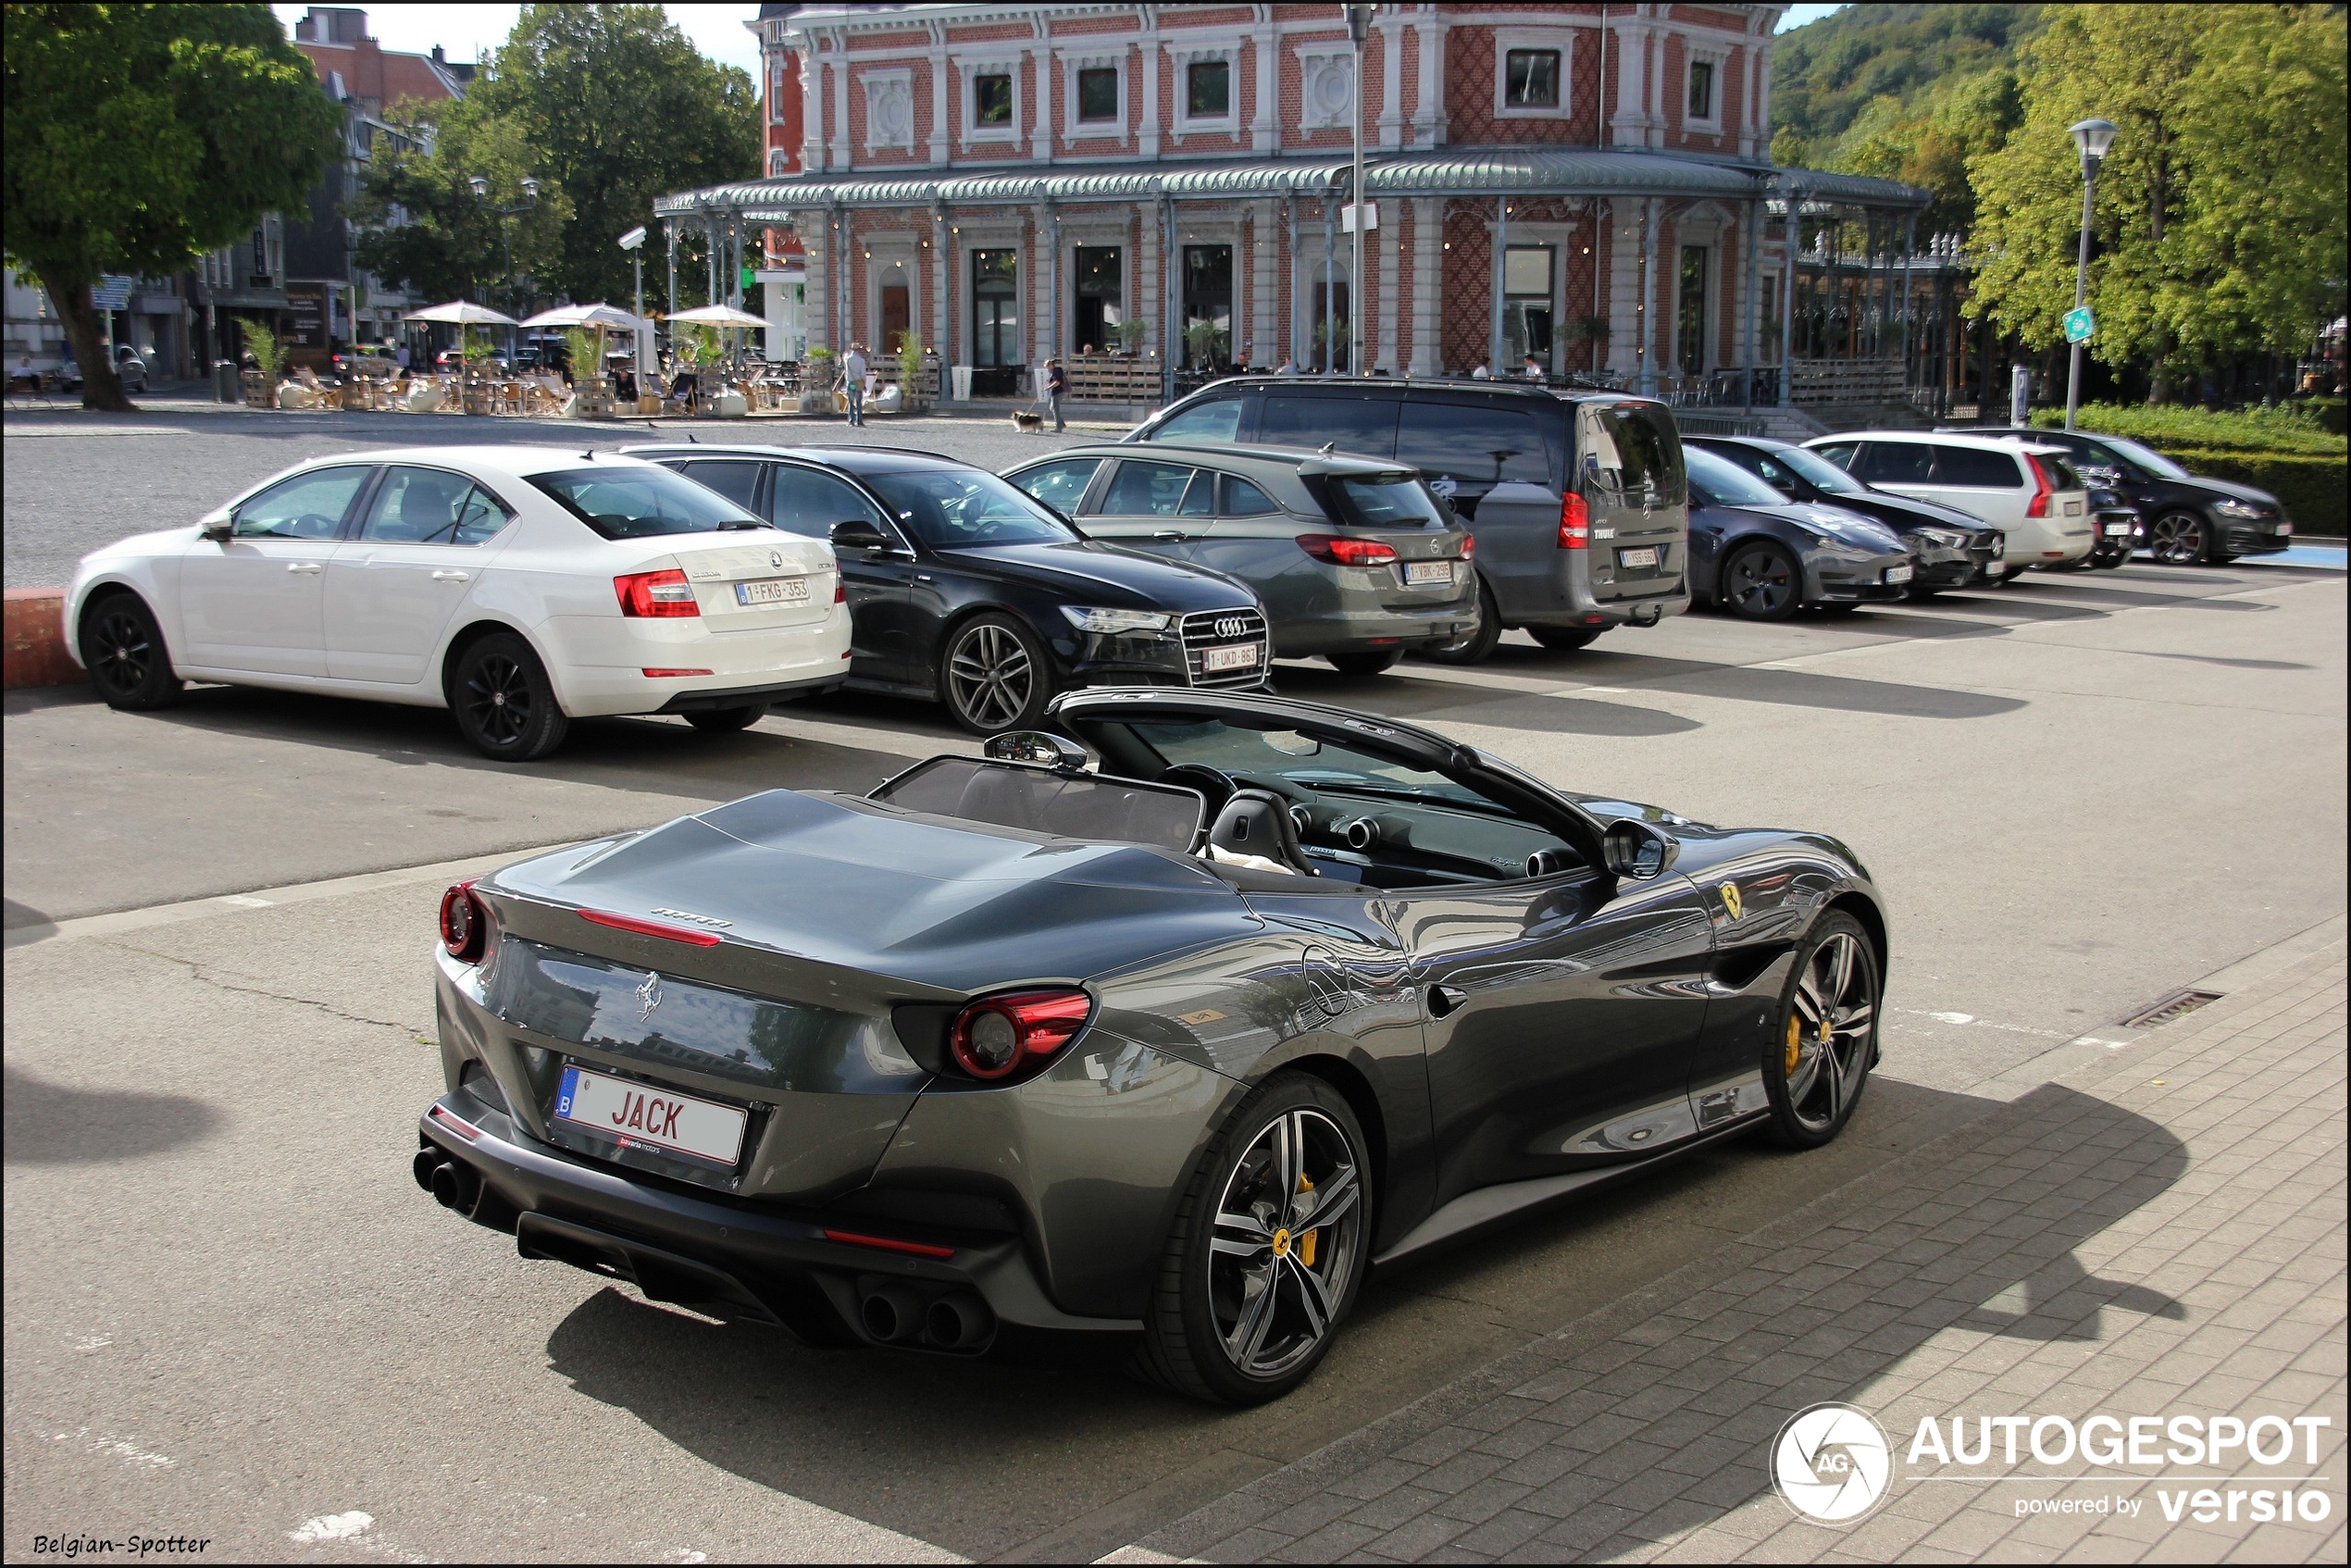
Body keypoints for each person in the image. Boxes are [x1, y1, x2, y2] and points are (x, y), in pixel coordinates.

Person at [841, 342, 869, 425]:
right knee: (858, 402)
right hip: (859, 382)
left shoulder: (847, 360)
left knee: (850, 402)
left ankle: (851, 420)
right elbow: (863, 374)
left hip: (850, 382)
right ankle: (859, 420)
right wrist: (864, 384)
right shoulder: (861, 360)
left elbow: (846, 372)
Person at [1045, 356, 1067, 432]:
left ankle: (1058, 427)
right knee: (1052, 408)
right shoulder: (1055, 371)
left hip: (1057, 392)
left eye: (1047, 366)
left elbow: (1057, 382)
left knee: (1055, 409)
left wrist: (1049, 387)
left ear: (1051, 365)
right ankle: (1061, 424)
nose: (1048, 368)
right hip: (1057, 392)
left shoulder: (1056, 371)